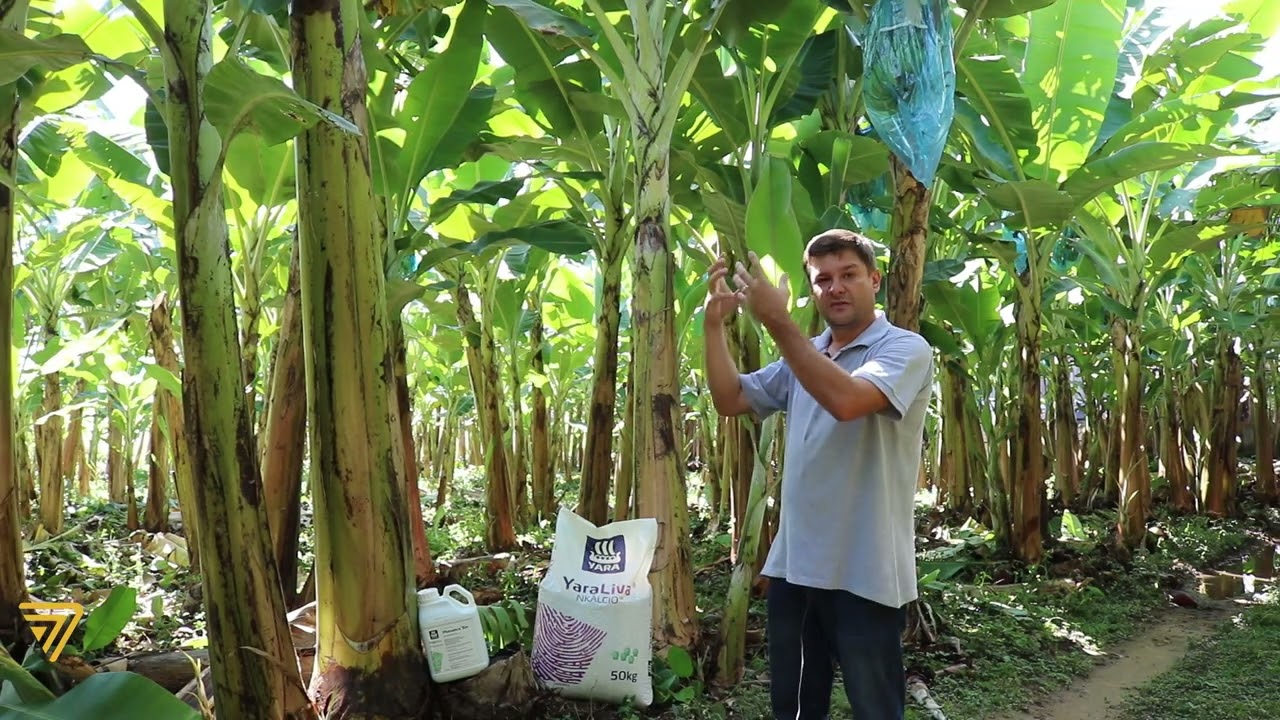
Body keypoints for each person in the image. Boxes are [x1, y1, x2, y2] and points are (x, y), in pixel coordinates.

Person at [701, 229, 934, 720]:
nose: (836, 288)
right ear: (813, 290)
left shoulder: (904, 349)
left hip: (865, 567)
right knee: (796, 706)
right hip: (796, 566)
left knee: (875, 706)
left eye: (849, 275)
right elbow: (731, 399)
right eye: (823, 279)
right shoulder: (806, 355)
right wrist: (713, 328)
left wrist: (779, 324)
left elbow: (849, 401)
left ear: (874, 279)